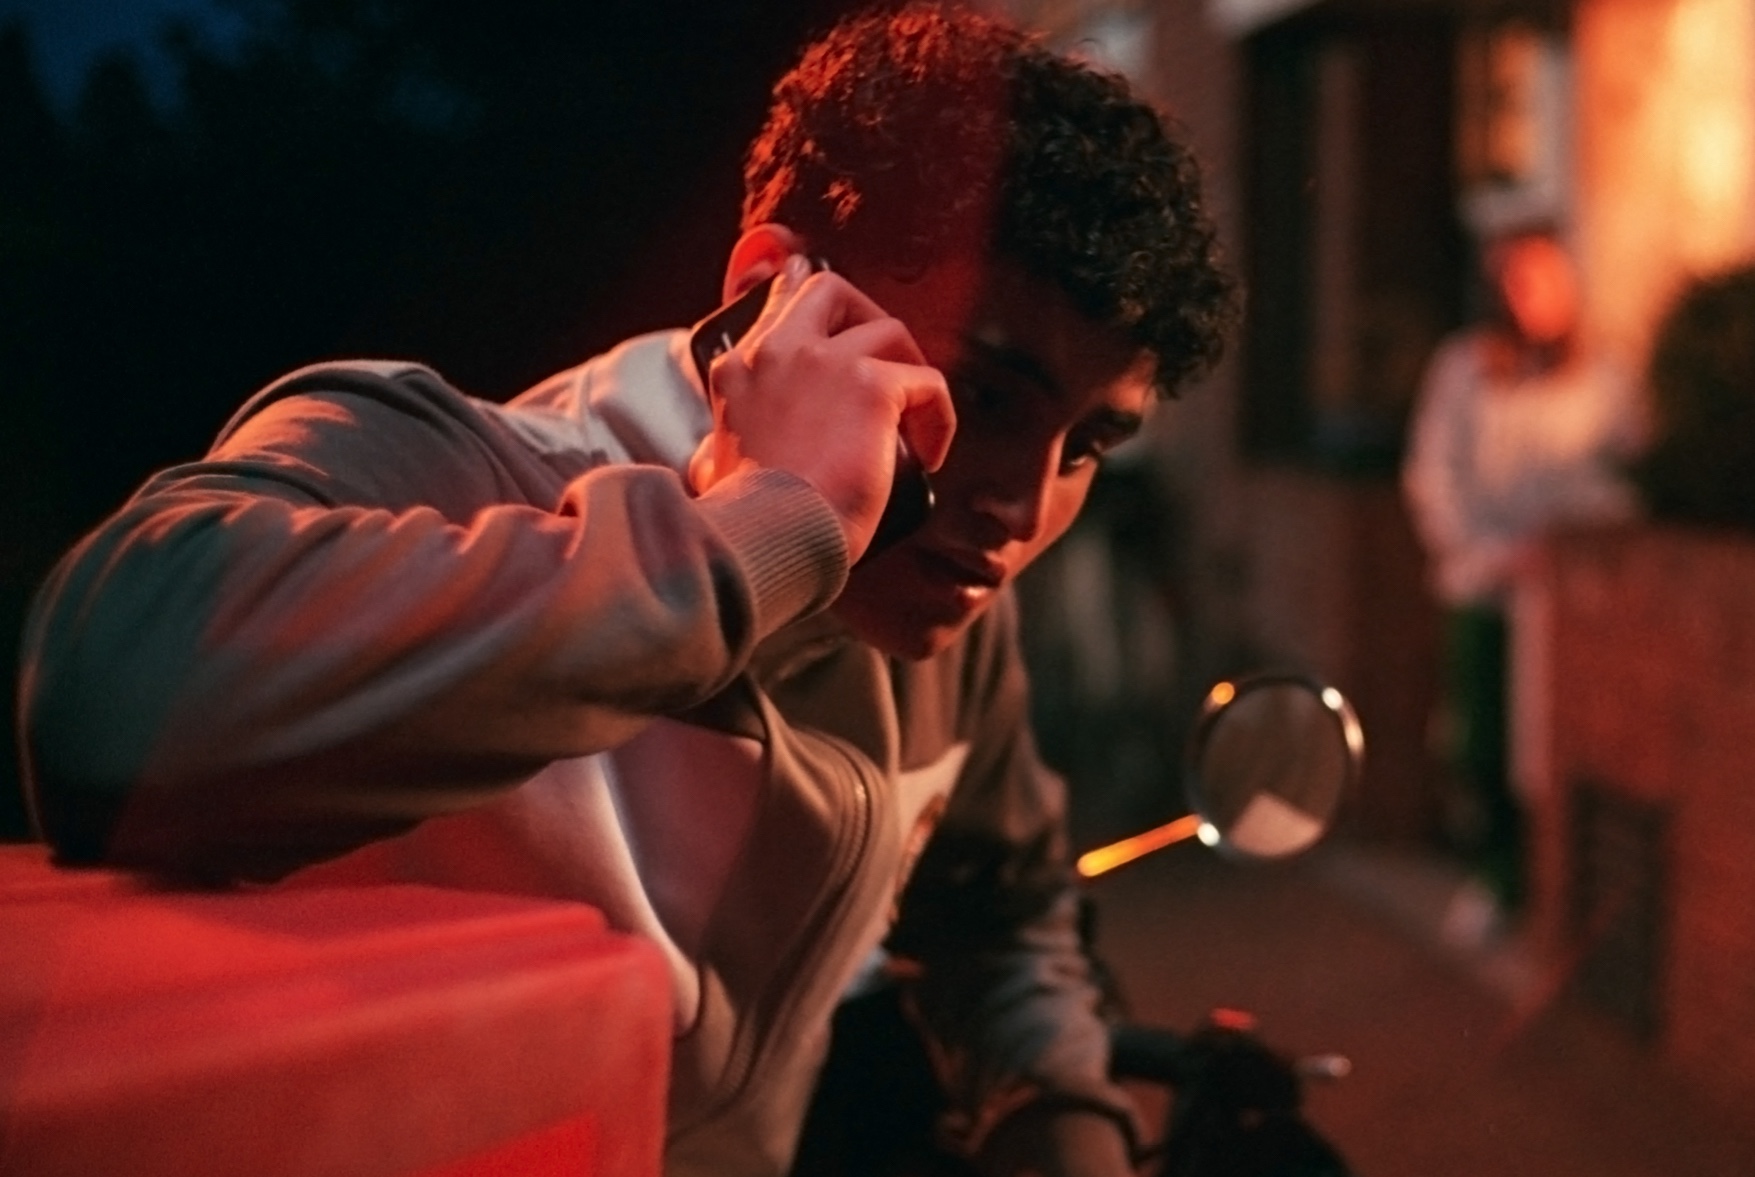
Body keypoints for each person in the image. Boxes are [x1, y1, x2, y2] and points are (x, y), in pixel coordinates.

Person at [17, 5, 1235, 1176]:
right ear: (773, 292)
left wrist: (1062, 1123)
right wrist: (756, 538)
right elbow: (105, 700)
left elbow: (1000, 916)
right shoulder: (459, 466)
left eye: (1086, 446)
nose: (1023, 507)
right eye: (986, 396)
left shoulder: (949, 613)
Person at [1402, 225, 1643, 913]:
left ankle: (1544, 887)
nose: (1527, 295)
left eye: (1540, 279)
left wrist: (1566, 546)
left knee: (1547, 746)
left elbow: (1622, 477)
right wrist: (1480, 552)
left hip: (1566, 597)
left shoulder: (1603, 377)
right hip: (1484, 585)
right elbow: (1433, 474)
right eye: (1514, 280)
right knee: (1480, 737)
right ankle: (1496, 875)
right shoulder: (1465, 369)